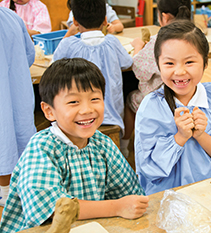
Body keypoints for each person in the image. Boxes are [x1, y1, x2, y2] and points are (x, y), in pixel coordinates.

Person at [0, 58, 148, 233]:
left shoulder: (103, 144)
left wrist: (128, 204)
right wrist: (116, 207)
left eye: (94, 98)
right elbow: (52, 209)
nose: (86, 110)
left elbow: (128, 193)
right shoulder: (42, 147)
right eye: (73, 102)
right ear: (49, 111)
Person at [134, 20, 211, 195]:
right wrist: (179, 137)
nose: (179, 72)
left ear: (205, 63)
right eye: (169, 63)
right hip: (166, 195)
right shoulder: (151, 106)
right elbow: (148, 168)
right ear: (158, 65)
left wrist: (201, 135)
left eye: (189, 62)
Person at [120, 0, 192, 158]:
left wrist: (139, 47)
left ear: (164, 17)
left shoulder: (158, 41)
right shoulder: (194, 37)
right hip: (186, 99)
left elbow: (139, 70)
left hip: (159, 102)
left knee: (131, 99)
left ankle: (124, 146)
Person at [52, 0, 133, 138]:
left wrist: (69, 32)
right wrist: (137, 47)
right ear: (105, 20)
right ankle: (124, 148)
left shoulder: (68, 44)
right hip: (113, 117)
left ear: (75, 22)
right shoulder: (112, 42)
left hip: (80, 117)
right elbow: (127, 63)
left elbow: (54, 63)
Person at [0, 7, 36, 207]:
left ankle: (5, 193)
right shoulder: (12, 18)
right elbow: (29, 55)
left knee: (4, 139)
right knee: (15, 137)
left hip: (9, 97)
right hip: (16, 94)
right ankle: (10, 191)